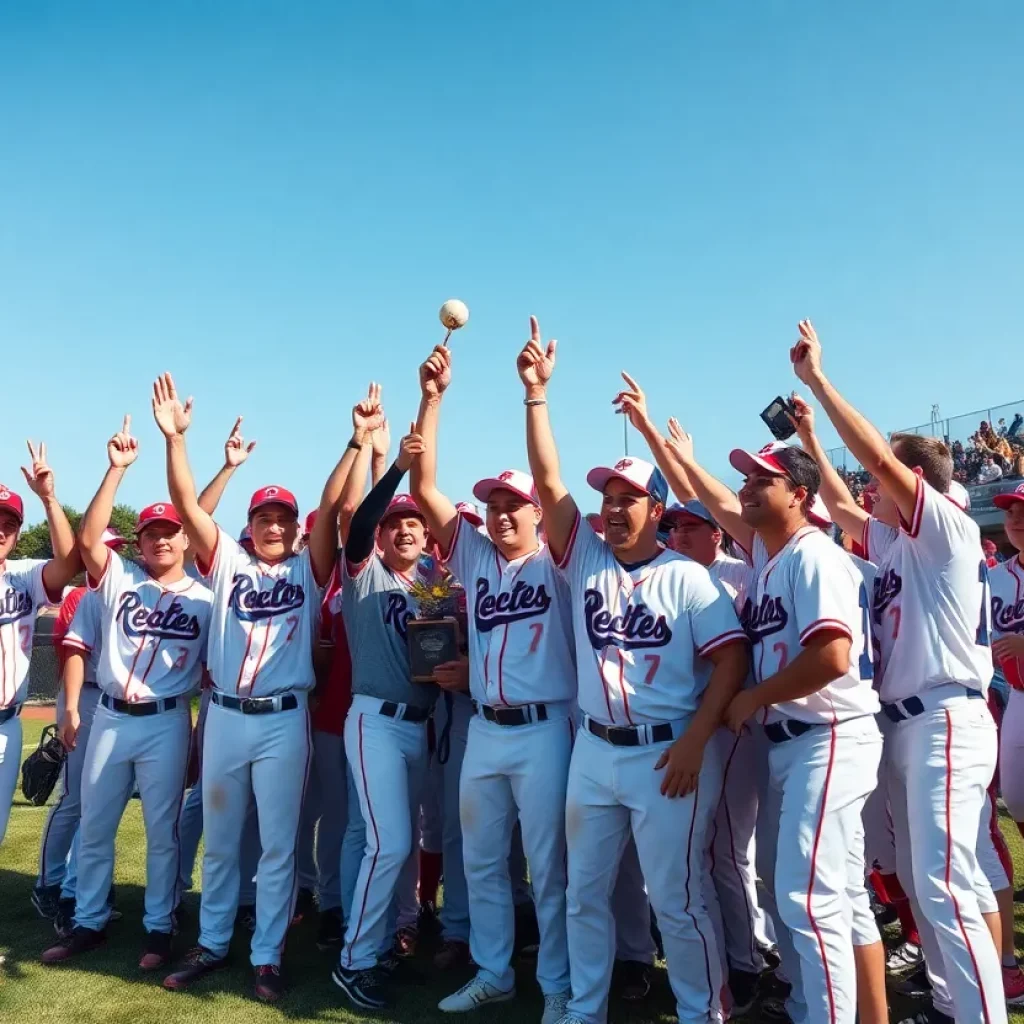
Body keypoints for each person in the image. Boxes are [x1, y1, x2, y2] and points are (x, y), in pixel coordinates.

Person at [517, 316, 749, 1024]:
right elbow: (548, 480)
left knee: (675, 898)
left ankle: (703, 1009)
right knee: (584, 893)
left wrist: (695, 740)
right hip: (593, 749)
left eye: (628, 500)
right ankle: (585, 1008)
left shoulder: (688, 577)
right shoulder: (585, 557)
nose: (613, 510)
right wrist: (535, 395)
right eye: (608, 501)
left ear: (657, 509)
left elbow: (733, 660)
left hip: (666, 752)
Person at [792, 320, 1004, 1024]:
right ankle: (951, 1003)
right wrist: (814, 444)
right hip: (911, 723)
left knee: (945, 883)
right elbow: (849, 506)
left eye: (884, 477)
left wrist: (820, 384)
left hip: (945, 713)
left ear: (911, 479)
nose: (869, 489)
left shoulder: (946, 523)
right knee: (926, 879)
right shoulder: (896, 540)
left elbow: (877, 468)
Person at [155, 373, 359, 1002]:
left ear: (299, 528)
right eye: (265, 517)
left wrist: (355, 445)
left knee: (277, 846)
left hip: (282, 720)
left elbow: (336, 507)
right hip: (223, 716)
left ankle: (266, 955)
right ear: (250, 525)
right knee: (220, 841)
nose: (275, 525)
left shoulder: (309, 565)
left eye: (285, 518)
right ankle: (214, 943)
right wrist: (177, 442)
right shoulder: (229, 563)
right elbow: (189, 505)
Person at [409, 343, 574, 1022]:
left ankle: (561, 986)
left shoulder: (563, 558)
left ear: (538, 512)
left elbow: (549, 470)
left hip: (545, 729)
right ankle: (494, 972)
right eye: (494, 504)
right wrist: (434, 397)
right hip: (486, 727)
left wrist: (535, 393)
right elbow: (423, 488)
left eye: (514, 504)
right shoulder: (474, 556)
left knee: (549, 868)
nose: (502, 513)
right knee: (480, 864)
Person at [41, 416, 214, 971]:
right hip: (111, 717)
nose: (161, 538)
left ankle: (159, 928)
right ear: (139, 543)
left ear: (187, 537)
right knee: (94, 823)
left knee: (162, 833)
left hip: (167, 720)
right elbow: (88, 539)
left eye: (170, 531)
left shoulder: (208, 597)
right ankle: (88, 921)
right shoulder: (120, 578)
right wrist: (115, 470)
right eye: (151, 533)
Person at [330, 428, 443, 1011]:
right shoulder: (364, 571)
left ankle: (381, 944)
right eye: (395, 522)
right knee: (388, 843)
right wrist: (396, 469)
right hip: (374, 719)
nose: (403, 528)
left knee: (401, 843)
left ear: (427, 535)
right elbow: (356, 525)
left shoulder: (434, 583)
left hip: (422, 725)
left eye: (413, 523)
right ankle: (354, 960)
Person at [32, 528, 126, 925]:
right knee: (73, 799)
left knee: (99, 801)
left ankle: (83, 883)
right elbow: (71, 652)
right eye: (103, 548)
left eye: (114, 550)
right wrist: (69, 708)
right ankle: (49, 884)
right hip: (84, 697)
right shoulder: (78, 595)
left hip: (109, 700)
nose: (108, 555)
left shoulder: (121, 590)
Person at [0, 444, 78, 845]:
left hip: (6, 724)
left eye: (9, 523)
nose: (1, 529)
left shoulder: (24, 575)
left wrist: (48, 499)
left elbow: (70, 561)